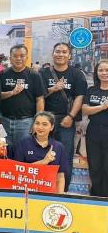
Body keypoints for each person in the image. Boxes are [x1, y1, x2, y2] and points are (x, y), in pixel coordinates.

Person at [40, 42, 87, 191]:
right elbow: (39, 95)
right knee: (42, 152)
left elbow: (79, 97)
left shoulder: (77, 74)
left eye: (64, 52)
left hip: (66, 120)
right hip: (46, 120)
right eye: (58, 51)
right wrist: (53, 89)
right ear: (53, 53)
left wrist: (71, 116)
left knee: (65, 155)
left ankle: (63, 190)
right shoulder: (43, 73)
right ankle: (43, 187)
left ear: (70, 55)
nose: (60, 54)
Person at [0, 44, 45, 147]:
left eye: (22, 56)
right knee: (5, 151)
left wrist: (38, 122)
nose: (18, 58)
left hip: (26, 122)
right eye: (15, 56)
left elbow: (40, 99)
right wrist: (12, 92)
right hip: (4, 121)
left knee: (24, 151)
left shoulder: (34, 75)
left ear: (27, 58)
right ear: (10, 58)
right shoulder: (2, 74)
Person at [13, 111, 67, 194]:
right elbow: (17, 172)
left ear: (52, 127)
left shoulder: (59, 147)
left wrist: (60, 197)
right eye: (37, 123)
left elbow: (60, 176)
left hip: (49, 194)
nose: (40, 127)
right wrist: (43, 162)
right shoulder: (23, 143)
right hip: (26, 192)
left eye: (44, 124)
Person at [82, 60, 108, 196]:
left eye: (107, 70)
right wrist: (102, 107)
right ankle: (96, 196)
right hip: (94, 131)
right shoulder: (91, 90)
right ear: (96, 73)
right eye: (101, 70)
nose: (104, 73)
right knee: (95, 165)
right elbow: (85, 110)